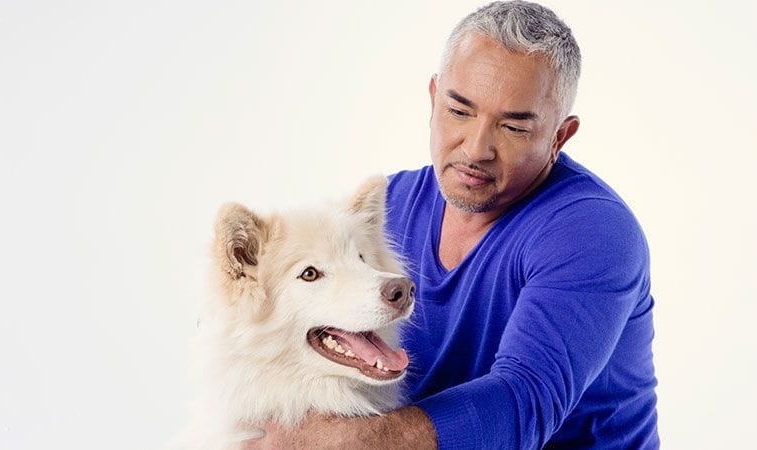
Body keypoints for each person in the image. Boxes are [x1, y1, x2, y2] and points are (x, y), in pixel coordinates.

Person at [249, 1, 659, 448]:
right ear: (433, 98)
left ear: (559, 136)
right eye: (459, 112)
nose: (476, 148)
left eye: (513, 127)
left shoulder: (591, 231)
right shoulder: (390, 205)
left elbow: (526, 400)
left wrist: (351, 441)